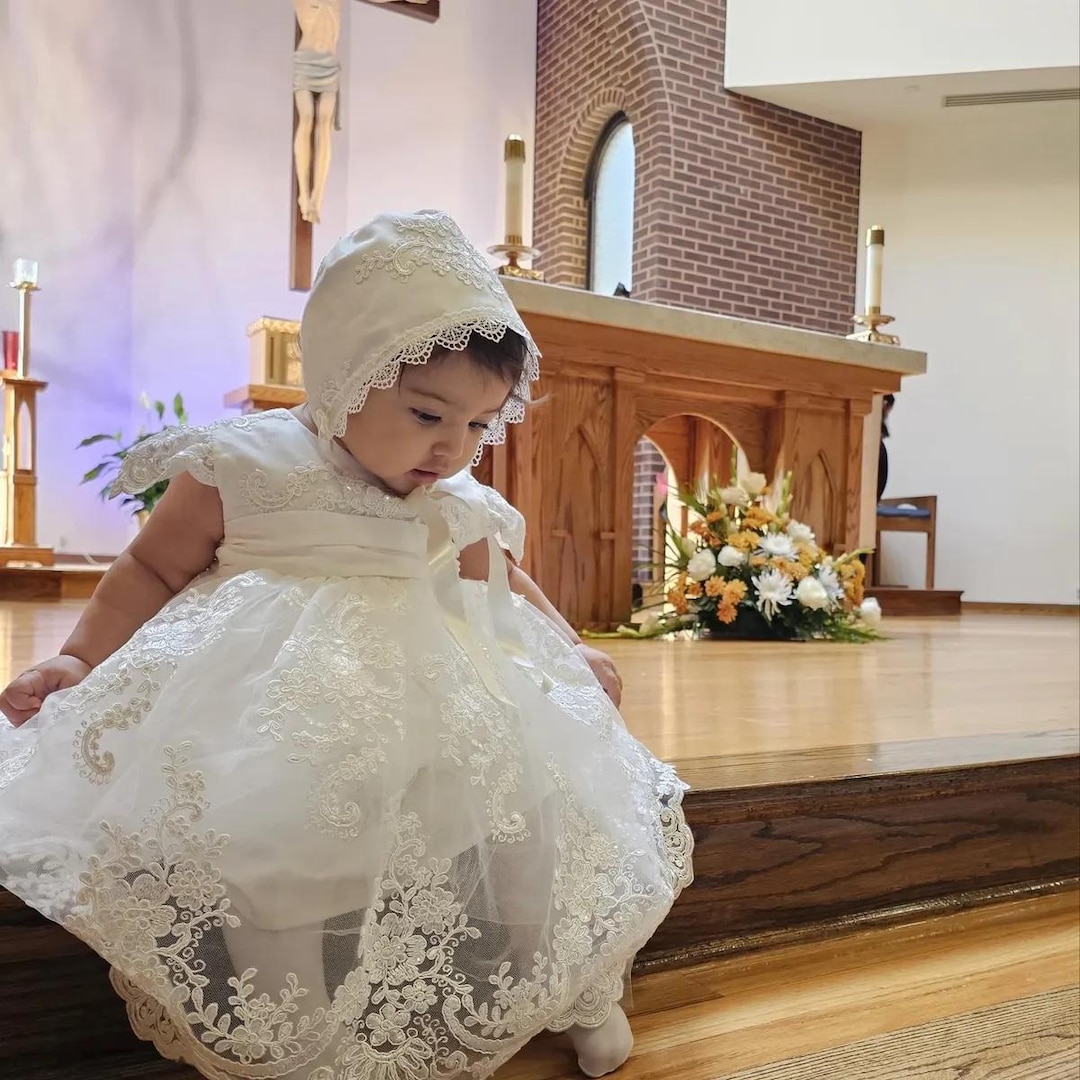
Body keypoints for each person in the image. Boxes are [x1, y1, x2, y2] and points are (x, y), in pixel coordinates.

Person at [0, 211, 693, 1080]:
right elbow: (147, 568)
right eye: (428, 413)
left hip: (443, 696)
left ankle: (572, 988)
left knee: (537, 814)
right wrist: (80, 659)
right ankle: (286, 1035)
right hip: (278, 706)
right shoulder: (248, 463)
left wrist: (570, 650)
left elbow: (500, 580)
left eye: (479, 425)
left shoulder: (451, 492)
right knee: (274, 846)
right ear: (342, 375)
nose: (452, 447)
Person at [293, 0, 342, 224]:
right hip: (305, 62)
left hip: (329, 64)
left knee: (324, 124)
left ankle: (317, 197)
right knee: (306, 119)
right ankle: (304, 194)